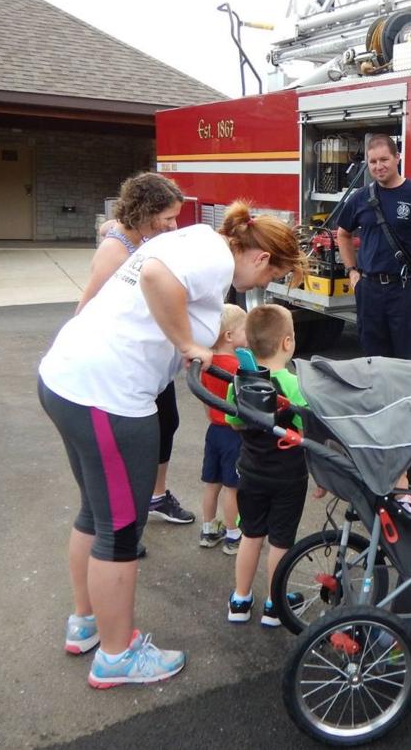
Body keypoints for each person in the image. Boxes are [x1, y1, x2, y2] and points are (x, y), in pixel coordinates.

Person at [38, 201, 305, 686]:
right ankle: (116, 656)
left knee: (95, 513)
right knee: (120, 529)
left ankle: (87, 622)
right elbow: (156, 277)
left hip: (69, 379)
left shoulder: (198, 240)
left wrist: (185, 340)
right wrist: (186, 343)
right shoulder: (216, 257)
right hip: (108, 396)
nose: (261, 286)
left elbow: (161, 289)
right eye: (272, 275)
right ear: (261, 257)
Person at [76, 172, 194, 532]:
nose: (173, 226)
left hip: (148, 358)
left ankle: (154, 496)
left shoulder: (137, 236)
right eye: (168, 217)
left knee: (166, 423)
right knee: (133, 438)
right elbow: (87, 307)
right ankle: (127, 516)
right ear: (145, 211)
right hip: (123, 364)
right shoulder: (116, 251)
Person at [226, 304, 326, 627]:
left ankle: (240, 599)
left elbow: (233, 422)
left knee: (250, 534)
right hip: (288, 477)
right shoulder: (295, 386)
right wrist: (323, 475)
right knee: (281, 541)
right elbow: (310, 433)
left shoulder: (238, 382)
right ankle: (274, 603)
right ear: (287, 342)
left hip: (250, 471)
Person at [336, 135, 411, 360]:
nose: (378, 166)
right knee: (374, 361)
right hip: (369, 290)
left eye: (384, 159)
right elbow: (343, 234)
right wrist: (351, 271)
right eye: (373, 162)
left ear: (397, 158)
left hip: (405, 290)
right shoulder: (361, 197)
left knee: (408, 361)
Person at [197, 303, 248, 553]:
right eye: (245, 330)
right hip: (233, 432)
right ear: (229, 336)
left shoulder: (206, 364)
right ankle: (233, 534)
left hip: (214, 430)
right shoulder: (237, 368)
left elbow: (206, 399)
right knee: (232, 487)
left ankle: (208, 529)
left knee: (212, 482)